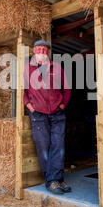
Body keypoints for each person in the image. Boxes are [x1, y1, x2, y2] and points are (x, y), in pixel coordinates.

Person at [23, 40, 72, 194]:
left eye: (44, 49)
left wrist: (62, 106)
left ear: (48, 52)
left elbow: (67, 89)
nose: (41, 52)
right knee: (43, 147)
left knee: (58, 146)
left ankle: (57, 179)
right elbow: (23, 92)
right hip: (38, 114)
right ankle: (52, 181)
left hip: (57, 113)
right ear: (33, 51)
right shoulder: (28, 69)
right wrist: (30, 107)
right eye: (38, 49)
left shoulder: (56, 68)